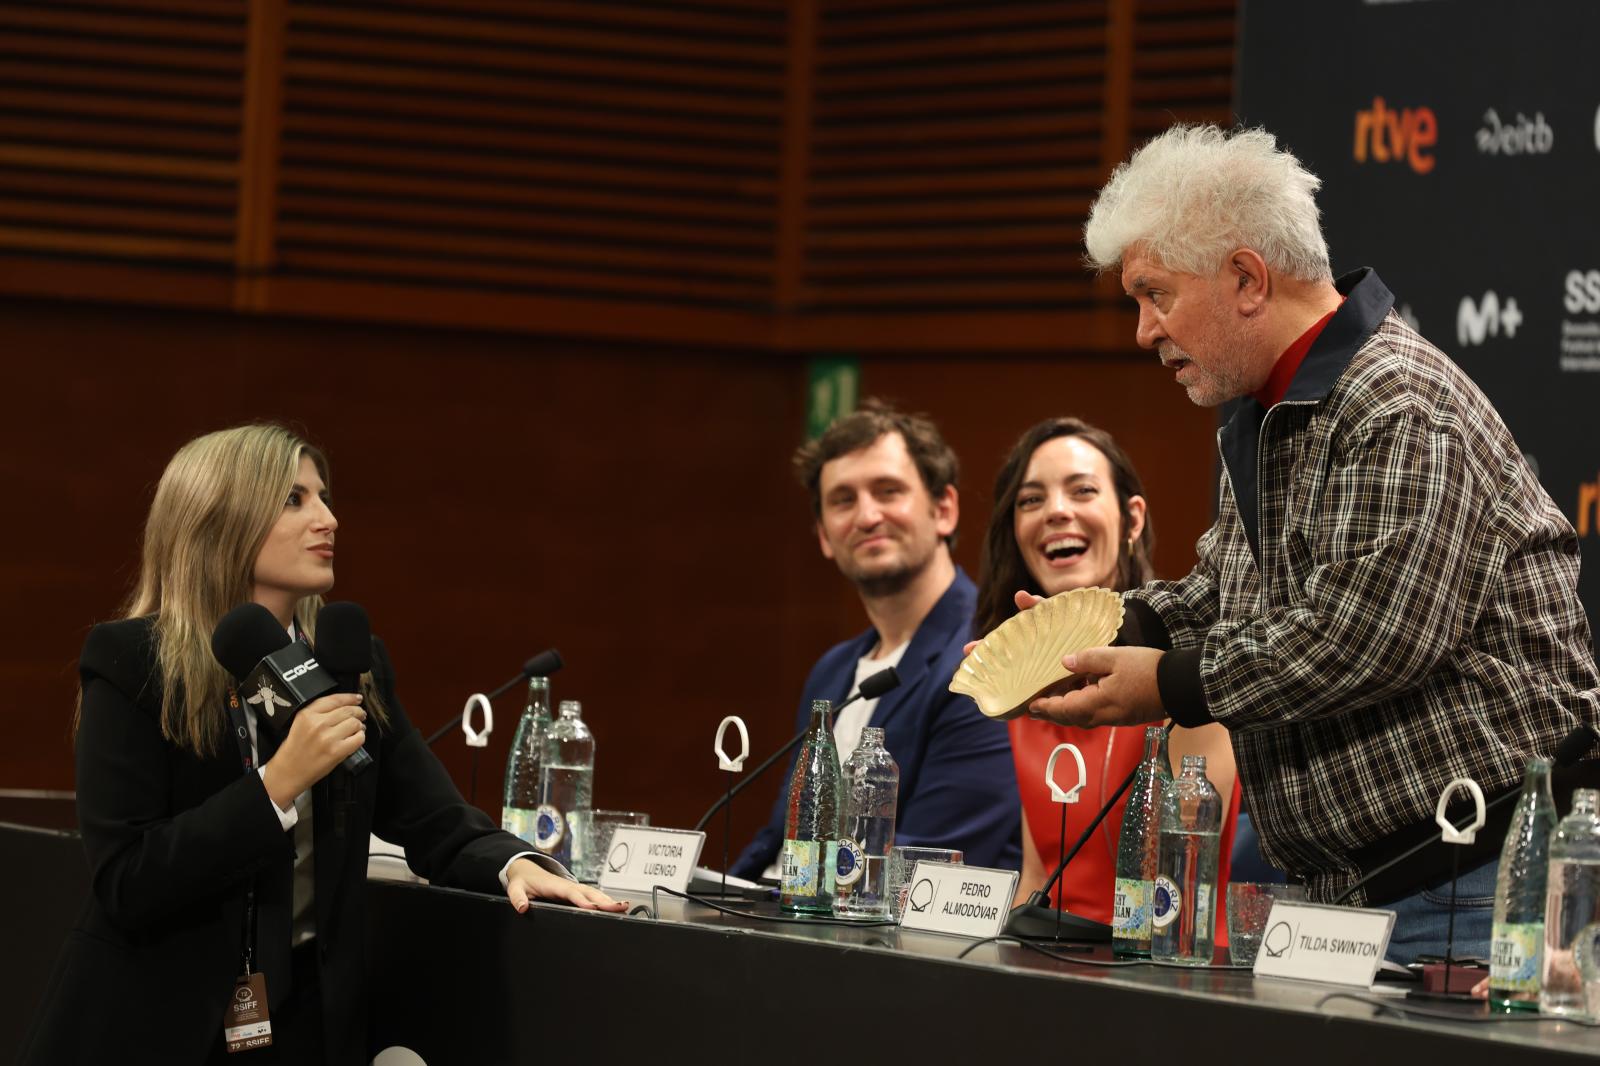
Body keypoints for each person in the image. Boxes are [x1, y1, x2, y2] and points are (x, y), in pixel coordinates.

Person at [1024, 124, 1600, 964]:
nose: (1144, 331)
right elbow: (1223, 595)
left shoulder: (1399, 402)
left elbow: (1367, 637)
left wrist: (1172, 683)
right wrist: (1096, 633)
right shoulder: (1267, 411)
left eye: (1156, 295)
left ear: (1247, 279)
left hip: (1470, 887)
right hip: (1357, 893)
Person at [21, 424, 623, 1066]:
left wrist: (516, 862)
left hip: (303, 1022)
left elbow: (433, 820)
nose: (329, 519)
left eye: (325, 496)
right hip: (155, 1024)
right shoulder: (132, 664)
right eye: (294, 499)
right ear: (218, 518)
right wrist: (278, 783)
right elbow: (127, 882)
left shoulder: (348, 665)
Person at [731, 401, 1021, 881]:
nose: (867, 516)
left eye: (888, 491)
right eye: (843, 500)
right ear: (824, 535)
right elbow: (782, 839)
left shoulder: (985, 654)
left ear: (943, 509)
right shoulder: (832, 669)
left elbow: (931, 862)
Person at [974, 417, 1238, 922]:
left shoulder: (1183, 668)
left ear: (1132, 520)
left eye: (1082, 491)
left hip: (1168, 961)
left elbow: (1177, 887)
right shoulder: (1025, 689)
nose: (1055, 511)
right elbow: (1038, 875)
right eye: (1030, 500)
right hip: (1051, 968)